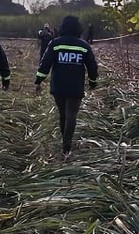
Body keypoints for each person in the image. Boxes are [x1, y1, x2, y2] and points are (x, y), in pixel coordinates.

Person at [34, 15, 98, 157]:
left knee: (63, 114)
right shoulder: (83, 46)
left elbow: (45, 64)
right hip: (75, 87)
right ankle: (66, 145)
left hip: (58, 86)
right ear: (78, 28)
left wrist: (38, 81)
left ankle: (65, 142)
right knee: (71, 116)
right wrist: (92, 82)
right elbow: (92, 66)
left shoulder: (55, 44)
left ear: (63, 28)